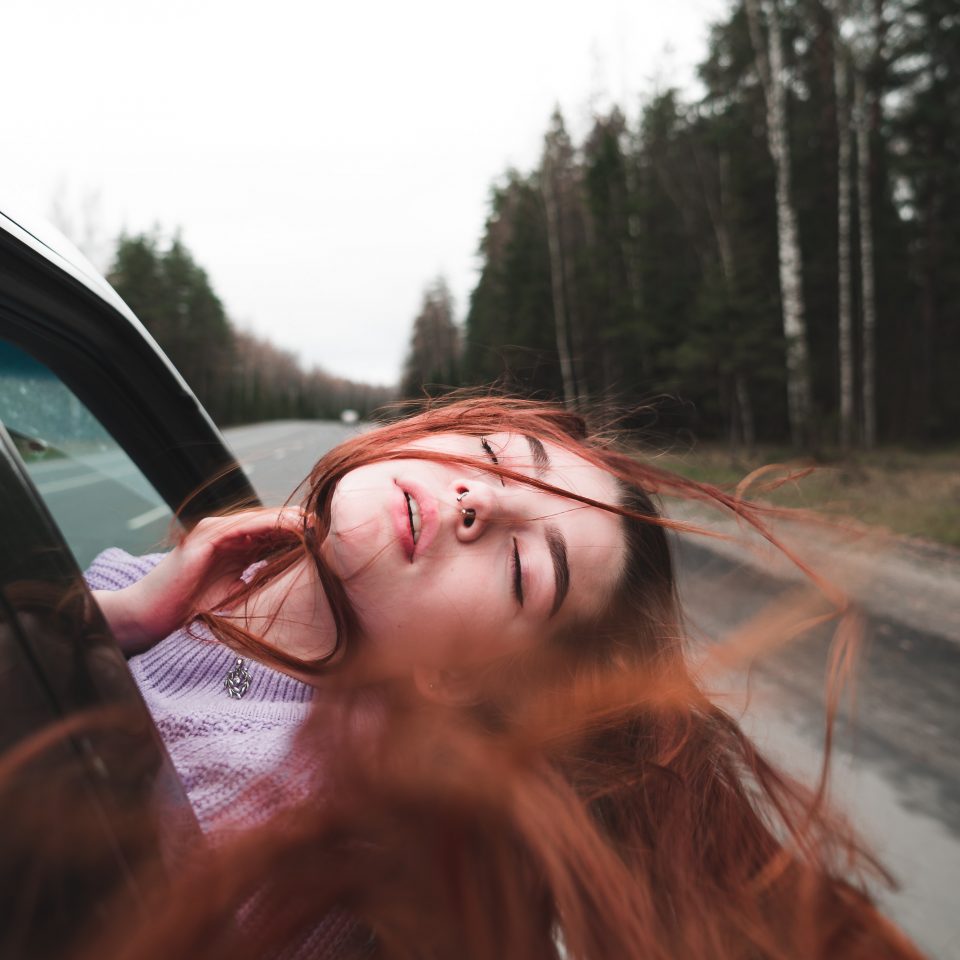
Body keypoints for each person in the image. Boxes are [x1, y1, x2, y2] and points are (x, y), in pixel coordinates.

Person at [77, 397, 921, 959]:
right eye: (494, 453)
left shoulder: (306, 823)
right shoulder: (145, 587)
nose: (479, 500)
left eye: (524, 572)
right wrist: (126, 621)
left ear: (467, 681)